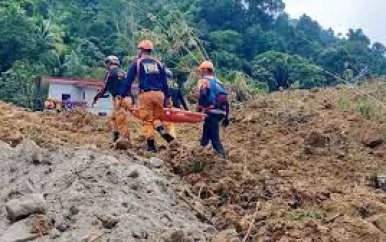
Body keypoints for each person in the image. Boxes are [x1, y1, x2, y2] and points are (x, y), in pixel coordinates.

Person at [124, 40, 177, 152]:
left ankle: (151, 147)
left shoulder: (137, 63)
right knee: (156, 118)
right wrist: (168, 97)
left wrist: (123, 94)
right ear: (150, 51)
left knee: (147, 120)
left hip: (146, 94)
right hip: (159, 94)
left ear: (141, 50)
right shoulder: (158, 63)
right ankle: (168, 137)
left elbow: (128, 81)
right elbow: (165, 83)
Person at [93, 55, 131, 147]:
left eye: (107, 64)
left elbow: (104, 88)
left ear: (109, 63)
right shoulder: (124, 72)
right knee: (113, 118)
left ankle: (126, 141)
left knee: (120, 120)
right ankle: (116, 137)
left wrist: (96, 98)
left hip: (119, 99)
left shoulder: (110, 73)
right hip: (128, 98)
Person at [196, 60, 229, 159]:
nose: (200, 73)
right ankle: (199, 156)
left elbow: (203, 95)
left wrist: (199, 110)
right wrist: (226, 117)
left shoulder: (204, 81)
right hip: (221, 112)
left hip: (211, 112)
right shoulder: (219, 82)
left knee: (214, 139)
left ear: (205, 70)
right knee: (206, 136)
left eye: (201, 71)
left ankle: (223, 159)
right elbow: (226, 101)